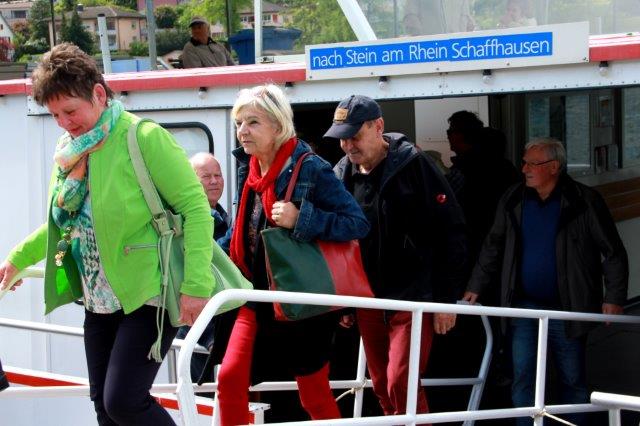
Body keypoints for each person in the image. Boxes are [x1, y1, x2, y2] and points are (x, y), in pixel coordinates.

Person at [0, 43, 214, 425]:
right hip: (97, 299)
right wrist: (18, 259)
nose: (64, 123)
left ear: (99, 94)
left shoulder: (143, 137)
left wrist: (196, 285)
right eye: (54, 115)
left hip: (149, 291)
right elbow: (65, 226)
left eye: (70, 111)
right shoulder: (68, 151)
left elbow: (196, 209)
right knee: (104, 408)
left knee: (123, 402)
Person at [215, 84, 369, 426]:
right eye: (239, 123)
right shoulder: (249, 168)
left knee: (313, 394)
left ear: (277, 125)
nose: (242, 131)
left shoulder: (311, 167)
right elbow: (243, 231)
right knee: (229, 379)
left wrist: (302, 218)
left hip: (301, 300)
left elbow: (356, 223)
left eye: (253, 122)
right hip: (255, 294)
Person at [464, 138, 628, 425]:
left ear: (554, 167)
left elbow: (612, 251)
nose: (524, 169)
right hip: (524, 307)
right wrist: (475, 286)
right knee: (523, 376)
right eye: (524, 162)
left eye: (532, 163)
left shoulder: (584, 201)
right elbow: (493, 244)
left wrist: (613, 297)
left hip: (568, 307)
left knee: (572, 378)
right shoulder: (514, 198)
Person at [325, 95, 468, 417]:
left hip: (412, 297)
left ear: (378, 127)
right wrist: (344, 302)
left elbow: (452, 231)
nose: (347, 146)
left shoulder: (414, 165)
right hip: (367, 300)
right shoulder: (341, 173)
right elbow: (337, 241)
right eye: (342, 138)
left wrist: (447, 300)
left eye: (354, 136)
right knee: (381, 386)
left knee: (400, 382)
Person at [176, 153, 234, 384]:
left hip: (216, 320)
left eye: (218, 175)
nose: (214, 181)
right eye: (206, 176)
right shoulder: (186, 219)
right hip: (198, 324)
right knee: (202, 395)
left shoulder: (223, 216)